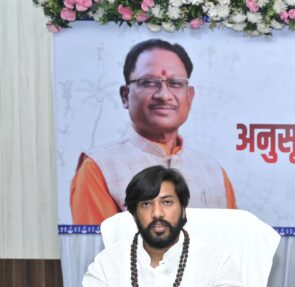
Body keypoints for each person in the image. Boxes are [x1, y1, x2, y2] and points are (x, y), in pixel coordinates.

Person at [75, 166, 256, 287]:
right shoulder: (107, 263)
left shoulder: (214, 262)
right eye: (146, 204)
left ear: (183, 210)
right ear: (134, 215)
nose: (157, 213)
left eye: (167, 202)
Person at [69, 39, 236, 225]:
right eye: (148, 82)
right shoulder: (98, 168)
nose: (164, 95)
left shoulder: (213, 172)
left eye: (175, 83)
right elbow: (101, 242)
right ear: (125, 96)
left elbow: (232, 237)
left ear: (190, 96)